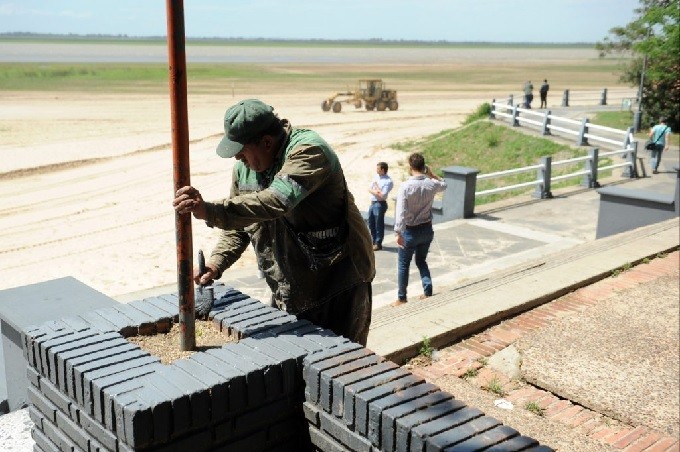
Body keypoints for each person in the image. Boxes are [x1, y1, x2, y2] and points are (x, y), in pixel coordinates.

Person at [173, 99, 375, 345]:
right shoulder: (244, 169)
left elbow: (276, 201)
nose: (237, 157)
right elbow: (242, 225)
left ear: (267, 142)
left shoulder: (309, 152)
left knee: (340, 365)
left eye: (242, 150)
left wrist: (210, 210)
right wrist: (216, 263)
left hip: (339, 286)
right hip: (291, 288)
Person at [392, 153, 447, 306]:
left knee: (403, 264)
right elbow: (444, 184)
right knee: (421, 260)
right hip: (427, 230)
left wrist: (397, 232)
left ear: (410, 167)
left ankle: (402, 298)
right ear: (423, 166)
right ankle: (427, 290)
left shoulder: (405, 186)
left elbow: (400, 211)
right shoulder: (431, 183)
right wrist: (431, 173)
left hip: (410, 231)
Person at [367, 162, 393, 251]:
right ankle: (373, 241)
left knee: (379, 224)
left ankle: (378, 243)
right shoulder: (376, 177)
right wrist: (377, 192)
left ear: (383, 169)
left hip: (380, 204)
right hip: (373, 202)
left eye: (378, 168)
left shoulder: (388, 181)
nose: (376, 170)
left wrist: (377, 189)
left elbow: (383, 195)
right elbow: (369, 189)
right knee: (371, 223)